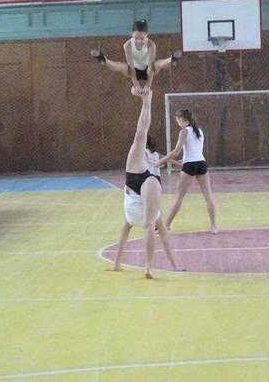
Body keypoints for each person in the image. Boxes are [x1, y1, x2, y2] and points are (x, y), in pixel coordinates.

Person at [111, 89, 182, 279]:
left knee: (135, 225)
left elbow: (124, 233)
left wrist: (117, 264)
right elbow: (164, 240)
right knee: (153, 225)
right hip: (146, 185)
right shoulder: (151, 154)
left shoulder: (145, 154)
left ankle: (123, 265)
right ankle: (149, 268)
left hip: (134, 193)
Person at [157, 109, 217, 234]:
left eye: (178, 120)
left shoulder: (184, 131)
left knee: (179, 197)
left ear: (183, 120)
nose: (177, 123)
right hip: (201, 164)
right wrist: (182, 160)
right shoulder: (199, 131)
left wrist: (161, 160)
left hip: (190, 165)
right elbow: (194, 151)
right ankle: (213, 226)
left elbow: (176, 152)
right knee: (208, 196)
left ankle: (166, 226)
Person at [90, 20, 180, 94]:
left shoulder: (151, 45)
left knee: (158, 64)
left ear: (147, 35)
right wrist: (136, 85)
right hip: (133, 71)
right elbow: (131, 67)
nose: (139, 41)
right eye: (136, 38)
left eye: (142, 38)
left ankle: (171, 59)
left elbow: (150, 68)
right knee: (121, 66)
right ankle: (104, 60)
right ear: (132, 34)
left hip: (149, 70)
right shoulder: (127, 45)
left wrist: (148, 86)